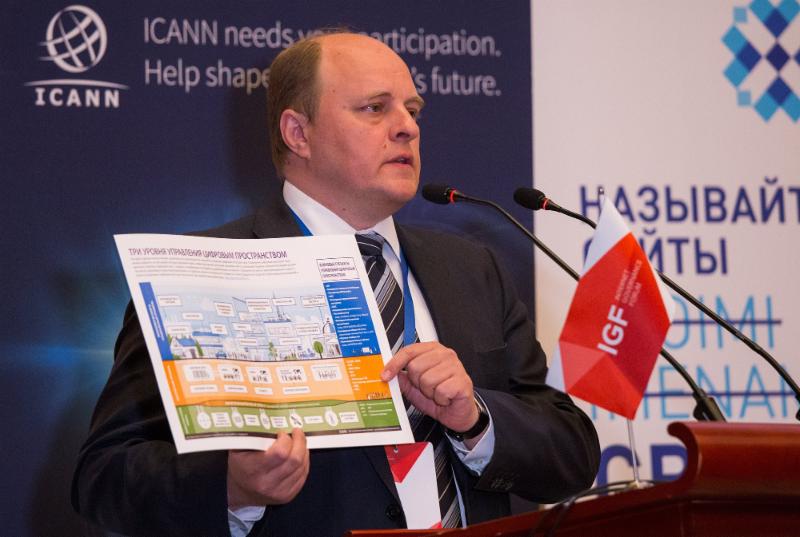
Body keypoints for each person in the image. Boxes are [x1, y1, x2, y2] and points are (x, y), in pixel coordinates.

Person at [72, 32, 599, 537]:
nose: (407, 128)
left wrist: (476, 418)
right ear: (298, 134)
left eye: (412, 110)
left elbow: (571, 454)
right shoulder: (201, 274)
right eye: (375, 108)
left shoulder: (471, 269)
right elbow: (104, 478)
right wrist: (232, 487)